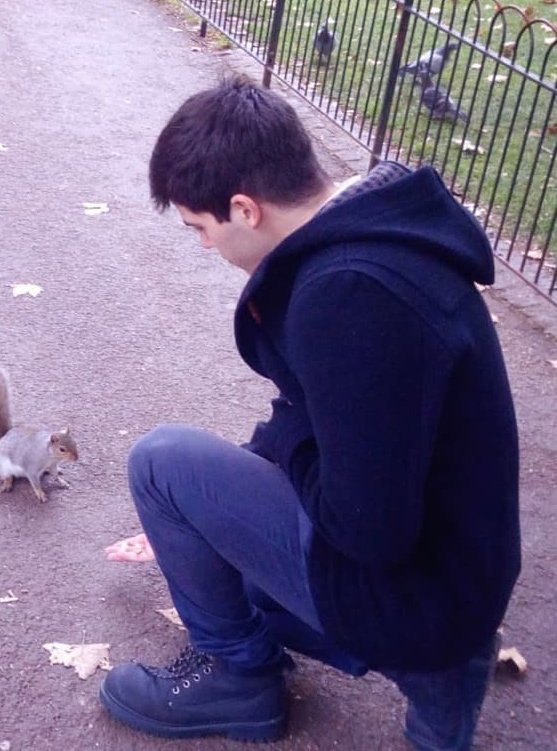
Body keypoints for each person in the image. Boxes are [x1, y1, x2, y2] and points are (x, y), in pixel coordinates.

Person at [98, 75, 521, 748]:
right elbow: (350, 435)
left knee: (162, 464)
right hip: (465, 576)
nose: (204, 246)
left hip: (424, 605)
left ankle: (239, 677)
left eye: (199, 229)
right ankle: (441, 684)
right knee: (221, 509)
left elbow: (367, 530)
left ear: (244, 208)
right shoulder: (379, 233)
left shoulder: (346, 297)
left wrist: (277, 445)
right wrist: (237, 498)